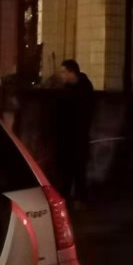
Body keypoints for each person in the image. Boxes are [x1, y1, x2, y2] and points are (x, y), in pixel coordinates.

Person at [52, 59, 94, 206]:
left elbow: (82, 114)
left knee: (78, 169)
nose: (62, 75)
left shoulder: (83, 89)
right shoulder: (68, 89)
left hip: (77, 137)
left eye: (64, 72)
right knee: (67, 170)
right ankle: (68, 198)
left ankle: (80, 198)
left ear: (72, 72)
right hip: (67, 137)